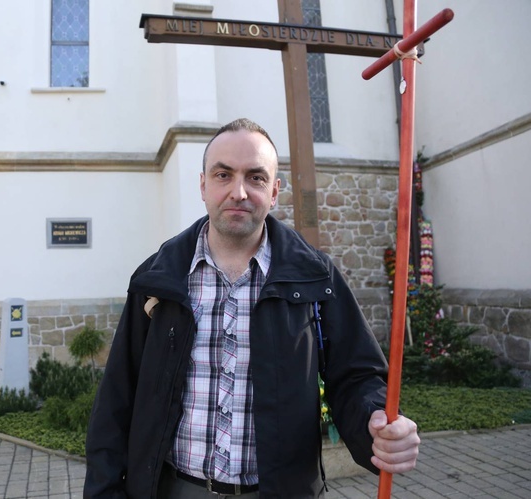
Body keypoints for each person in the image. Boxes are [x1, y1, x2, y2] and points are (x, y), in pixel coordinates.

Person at [84, 118, 420, 498]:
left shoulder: (313, 277)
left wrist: (374, 422)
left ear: (275, 191)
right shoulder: (157, 279)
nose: (238, 192)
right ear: (203, 185)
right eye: (223, 175)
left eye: (256, 178)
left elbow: (357, 377)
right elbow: (116, 399)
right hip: (175, 489)